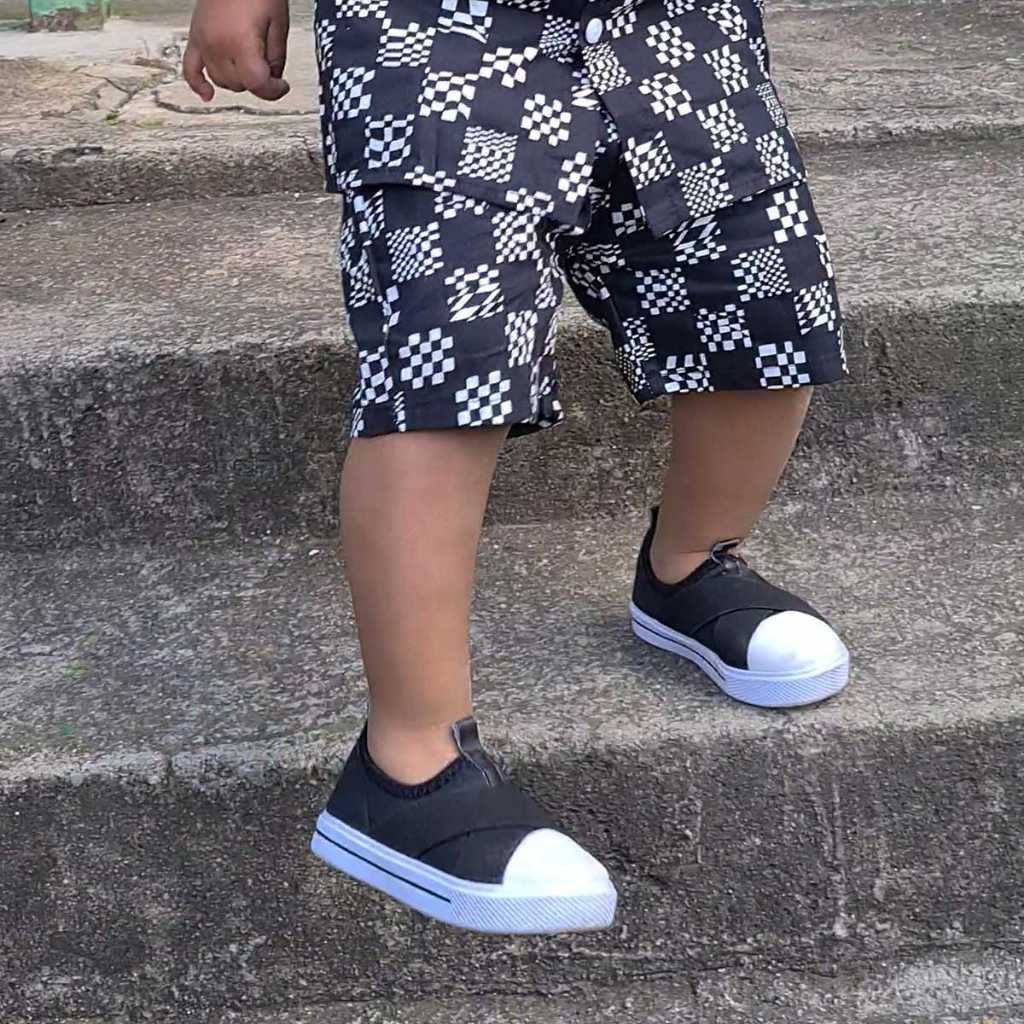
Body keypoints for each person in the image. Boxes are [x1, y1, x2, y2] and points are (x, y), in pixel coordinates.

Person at [183, 0, 849, 936]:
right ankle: (407, 763)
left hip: (674, 26)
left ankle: (690, 566)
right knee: (452, 355)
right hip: (437, 32)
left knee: (763, 300)